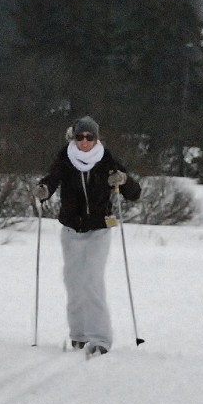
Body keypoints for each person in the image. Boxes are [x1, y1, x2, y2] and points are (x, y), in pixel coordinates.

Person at [33, 115, 141, 356]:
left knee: (92, 281)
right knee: (73, 282)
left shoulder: (106, 159)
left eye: (89, 137)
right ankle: (79, 334)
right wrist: (44, 189)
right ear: (74, 137)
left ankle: (100, 338)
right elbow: (52, 179)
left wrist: (123, 180)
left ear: (96, 138)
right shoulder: (66, 157)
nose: (84, 142)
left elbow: (134, 193)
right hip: (71, 230)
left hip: (98, 230)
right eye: (80, 137)